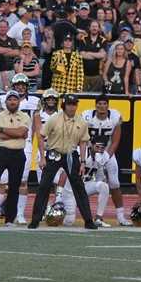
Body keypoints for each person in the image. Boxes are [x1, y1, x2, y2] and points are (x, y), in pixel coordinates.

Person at [29, 94, 96, 229]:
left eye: (74, 105)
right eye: (69, 104)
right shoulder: (54, 119)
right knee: (44, 186)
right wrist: (42, 157)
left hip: (71, 155)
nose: (71, 107)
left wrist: (83, 162)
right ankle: (35, 220)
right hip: (54, 154)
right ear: (64, 105)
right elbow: (41, 136)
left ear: (77, 106)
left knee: (79, 187)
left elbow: (83, 142)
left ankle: (88, 220)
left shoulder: (81, 122)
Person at [0, 74, 38, 225]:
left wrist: (8, 133)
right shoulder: (2, 104)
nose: (21, 87)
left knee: (21, 182)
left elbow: (30, 129)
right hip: (4, 148)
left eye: (23, 84)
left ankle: (19, 214)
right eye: (18, 84)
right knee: (0, 181)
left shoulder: (33, 103)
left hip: (24, 146)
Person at [82, 95, 132, 226]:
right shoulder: (87, 116)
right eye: (99, 104)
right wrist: (90, 153)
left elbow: (115, 141)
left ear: (108, 105)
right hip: (90, 152)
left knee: (114, 183)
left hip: (107, 152)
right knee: (88, 181)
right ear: (95, 105)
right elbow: (82, 135)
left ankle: (120, 216)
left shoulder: (115, 117)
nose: (102, 106)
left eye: (104, 104)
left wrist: (107, 156)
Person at [0, 90, 30, 225]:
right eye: (10, 100)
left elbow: (22, 132)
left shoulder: (25, 116)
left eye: (15, 99)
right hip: (2, 151)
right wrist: (16, 133)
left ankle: (10, 218)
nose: (12, 102)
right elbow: (0, 135)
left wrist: (4, 130)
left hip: (18, 153)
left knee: (15, 186)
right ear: (6, 102)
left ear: (18, 101)